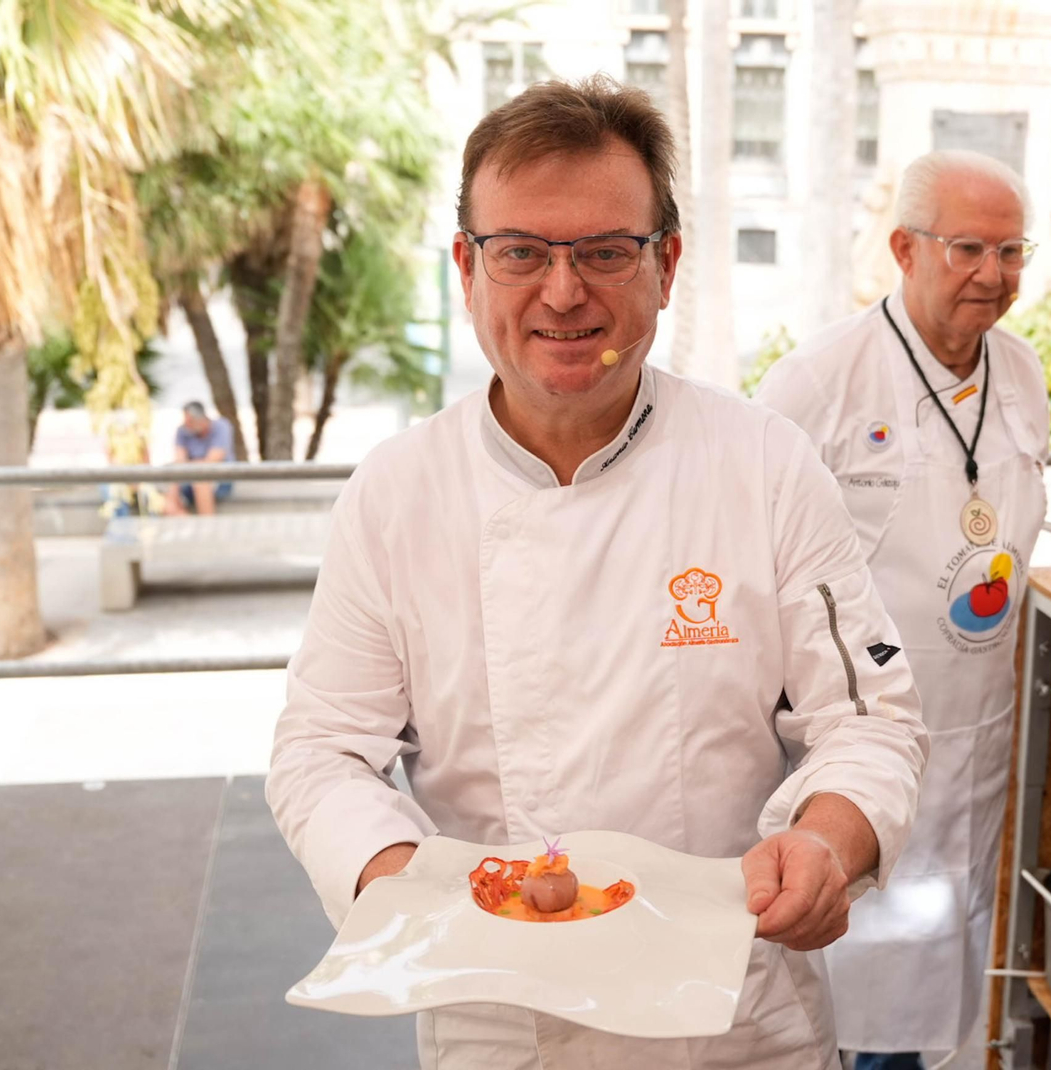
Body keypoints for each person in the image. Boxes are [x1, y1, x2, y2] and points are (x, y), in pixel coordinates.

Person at [265, 76, 928, 1070]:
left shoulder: (762, 462)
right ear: (466, 267)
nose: (564, 292)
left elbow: (868, 716)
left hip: (735, 1012)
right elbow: (321, 749)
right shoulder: (397, 493)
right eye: (521, 251)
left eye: (606, 252)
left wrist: (829, 842)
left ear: (664, 265)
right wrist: (405, 884)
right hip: (495, 1011)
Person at [757, 150, 1049, 1069]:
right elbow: (750, 562)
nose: (992, 276)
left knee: (947, 951)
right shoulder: (820, 382)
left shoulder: (1024, 374)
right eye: (968, 248)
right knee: (844, 975)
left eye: (1011, 253)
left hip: (976, 732)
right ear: (904, 249)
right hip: (852, 743)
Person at [163, 400, 235, 515]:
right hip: (190, 478)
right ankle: (183, 519)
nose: (186, 424)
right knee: (169, 491)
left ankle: (207, 526)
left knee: (201, 479)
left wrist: (192, 464)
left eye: (190, 421)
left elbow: (213, 460)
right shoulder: (182, 431)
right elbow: (179, 461)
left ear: (201, 419)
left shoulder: (221, 426)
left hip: (219, 479)